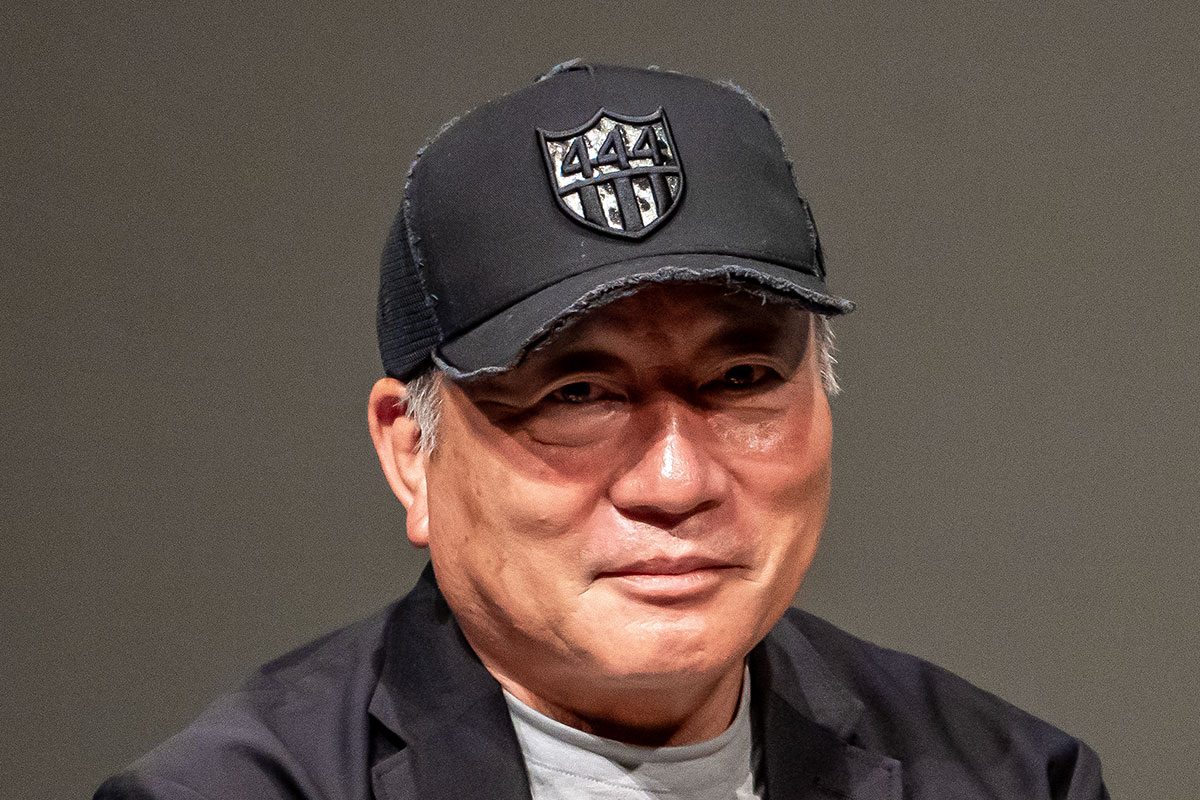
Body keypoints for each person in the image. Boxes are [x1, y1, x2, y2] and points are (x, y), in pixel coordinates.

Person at [95, 62, 1109, 800]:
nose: (675, 481)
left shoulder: (1014, 779)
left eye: (742, 379)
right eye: (578, 394)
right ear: (411, 452)